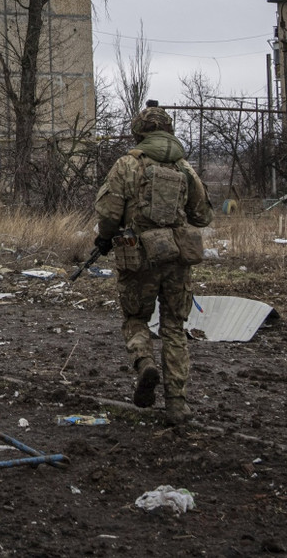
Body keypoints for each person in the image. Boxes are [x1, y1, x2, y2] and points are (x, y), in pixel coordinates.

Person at [93, 102, 213, 425]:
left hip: (139, 258)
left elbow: (107, 214)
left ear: (139, 133)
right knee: (174, 327)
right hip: (176, 260)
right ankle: (177, 404)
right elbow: (202, 216)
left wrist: (105, 238)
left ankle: (144, 361)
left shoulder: (127, 165)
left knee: (135, 318)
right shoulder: (184, 168)